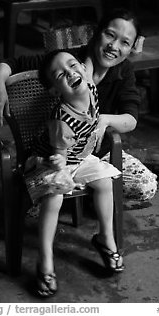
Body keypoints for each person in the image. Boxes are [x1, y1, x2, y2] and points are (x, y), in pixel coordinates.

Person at [0, 8, 157, 202]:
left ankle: (89, 195)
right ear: (97, 32)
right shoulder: (66, 61)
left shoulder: (123, 71)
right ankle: (77, 195)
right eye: (110, 35)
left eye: (124, 42)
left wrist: (103, 120)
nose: (113, 46)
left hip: (96, 156)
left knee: (145, 186)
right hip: (57, 156)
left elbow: (131, 119)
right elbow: (12, 63)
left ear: (131, 48)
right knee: (37, 204)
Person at [26, 50, 123, 296]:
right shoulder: (63, 119)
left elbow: (90, 58)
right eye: (61, 75)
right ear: (56, 92)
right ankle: (45, 260)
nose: (71, 72)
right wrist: (60, 166)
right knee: (56, 195)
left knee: (104, 181)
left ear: (82, 67)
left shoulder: (89, 82)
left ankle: (105, 238)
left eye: (72, 65)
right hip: (52, 161)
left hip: (79, 157)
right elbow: (60, 159)